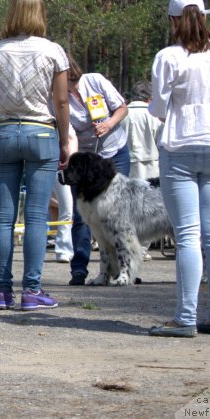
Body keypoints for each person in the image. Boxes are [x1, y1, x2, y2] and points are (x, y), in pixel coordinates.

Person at [148, 0, 210, 337]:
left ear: (174, 21)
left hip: (180, 146)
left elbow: (158, 108)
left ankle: (184, 317)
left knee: (187, 235)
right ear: (204, 17)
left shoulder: (168, 57)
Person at [0, 0, 70, 311]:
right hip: (41, 132)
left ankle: (2, 292)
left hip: (5, 133)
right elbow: (61, 101)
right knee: (36, 216)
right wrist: (65, 140)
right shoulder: (53, 52)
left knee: (3, 217)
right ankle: (31, 291)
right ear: (40, 14)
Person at [66, 57, 129, 285]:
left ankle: (124, 268)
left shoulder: (96, 81)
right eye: (66, 81)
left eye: (74, 80)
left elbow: (122, 108)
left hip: (115, 150)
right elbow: (66, 131)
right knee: (82, 216)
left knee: (119, 214)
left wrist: (108, 124)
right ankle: (79, 269)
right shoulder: (57, 97)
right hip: (84, 161)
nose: (72, 85)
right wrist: (70, 158)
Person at [121, 80, 162, 180]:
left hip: (127, 166)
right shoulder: (155, 115)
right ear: (150, 97)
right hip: (153, 167)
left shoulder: (121, 114)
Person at [50, 123, 78, 263]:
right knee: (66, 209)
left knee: (70, 210)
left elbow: (72, 139)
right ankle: (63, 250)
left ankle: (69, 248)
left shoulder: (69, 123)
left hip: (72, 169)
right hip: (57, 168)